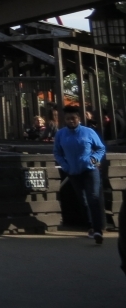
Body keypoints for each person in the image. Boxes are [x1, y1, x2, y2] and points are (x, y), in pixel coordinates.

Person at [54, 105, 107, 245]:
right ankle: (90, 225)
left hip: (90, 169)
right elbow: (57, 153)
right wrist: (65, 166)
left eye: (73, 118)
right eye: (68, 119)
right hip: (73, 172)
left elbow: (100, 148)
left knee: (93, 197)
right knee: (83, 201)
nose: (71, 121)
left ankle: (97, 230)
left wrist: (94, 159)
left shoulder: (88, 132)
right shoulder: (60, 134)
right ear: (64, 120)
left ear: (79, 118)